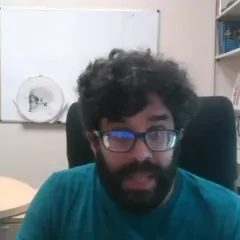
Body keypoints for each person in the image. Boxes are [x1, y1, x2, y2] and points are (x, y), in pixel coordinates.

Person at [16, 49, 240, 239]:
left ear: (178, 136)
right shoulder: (59, 198)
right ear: (94, 142)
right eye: (120, 135)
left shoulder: (227, 217)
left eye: (158, 133)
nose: (141, 155)